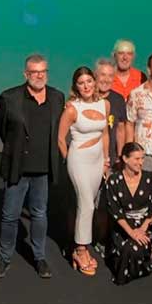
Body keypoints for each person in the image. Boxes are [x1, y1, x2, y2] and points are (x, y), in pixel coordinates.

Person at [0, 54, 65, 280]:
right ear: (26, 74)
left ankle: (39, 257)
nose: (39, 76)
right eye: (34, 72)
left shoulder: (56, 97)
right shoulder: (9, 97)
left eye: (43, 71)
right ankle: (4, 259)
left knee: (39, 214)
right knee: (9, 216)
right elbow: (3, 129)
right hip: (18, 168)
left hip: (43, 169)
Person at [57, 67, 110, 276]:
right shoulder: (71, 108)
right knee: (86, 203)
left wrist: (106, 160)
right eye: (81, 83)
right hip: (78, 160)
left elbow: (105, 133)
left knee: (90, 205)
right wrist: (68, 160)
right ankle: (80, 250)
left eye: (89, 81)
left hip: (98, 162)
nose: (86, 86)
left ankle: (83, 245)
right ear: (75, 86)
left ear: (95, 83)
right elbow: (61, 139)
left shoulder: (104, 104)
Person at [103, 142, 152, 285]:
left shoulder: (150, 178)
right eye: (137, 159)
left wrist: (142, 229)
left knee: (134, 248)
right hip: (123, 225)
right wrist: (131, 232)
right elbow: (114, 211)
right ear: (125, 159)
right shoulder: (114, 181)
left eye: (142, 158)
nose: (141, 163)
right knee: (127, 247)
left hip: (145, 224)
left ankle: (130, 270)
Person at [94, 58, 127, 171]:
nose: (106, 80)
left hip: (111, 161)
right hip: (89, 158)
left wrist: (120, 156)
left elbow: (120, 129)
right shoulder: (87, 98)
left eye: (110, 76)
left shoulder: (118, 99)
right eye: (103, 75)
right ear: (95, 76)